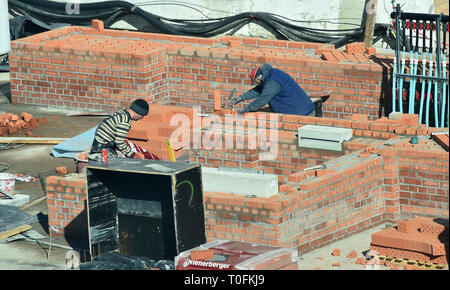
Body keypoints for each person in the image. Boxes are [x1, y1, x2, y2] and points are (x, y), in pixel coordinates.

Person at [232, 63, 315, 116]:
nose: (257, 83)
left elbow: (262, 100)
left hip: (301, 113)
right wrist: (241, 97)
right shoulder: (270, 74)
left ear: (260, 76)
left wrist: (246, 110)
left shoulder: (273, 83)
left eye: (256, 81)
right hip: (300, 110)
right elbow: (259, 90)